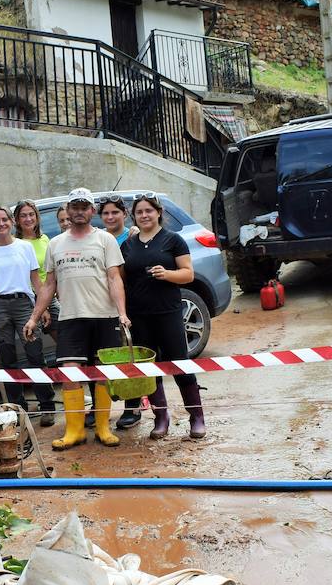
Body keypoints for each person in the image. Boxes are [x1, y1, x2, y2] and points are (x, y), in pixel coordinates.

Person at [26, 187, 130, 449]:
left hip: (104, 316)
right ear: (68, 211)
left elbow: (114, 277)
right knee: (70, 375)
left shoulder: (105, 240)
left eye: (84, 207)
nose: (80, 212)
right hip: (71, 319)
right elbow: (49, 285)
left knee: (103, 374)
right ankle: (75, 431)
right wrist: (34, 317)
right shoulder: (56, 244)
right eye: (75, 207)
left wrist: (122, 313)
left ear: (91, 211)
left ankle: (104, 428)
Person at [121, 194, 207, 439]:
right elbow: (122, 280)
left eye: (149, 210)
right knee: (149, 367)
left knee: (179, 363)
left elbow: (188, 275)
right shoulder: (128, 245)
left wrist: (167, 274)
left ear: (158, 213)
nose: (145, 215)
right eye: (140, 212)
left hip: (168, 312)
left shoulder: (173, 240)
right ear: (134, 216)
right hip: (139, 315)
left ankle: (196, 417)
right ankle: (161, 418)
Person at [0, 207, 56, 426]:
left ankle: (47, 405)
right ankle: (17, 407)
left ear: (12, 222)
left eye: (4, 219)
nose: (1, 224)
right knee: (6, 358)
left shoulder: (24, 247)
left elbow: (36, 280)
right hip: (0, 307)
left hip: (24, 304)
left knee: (34, 353)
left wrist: (43, 309)